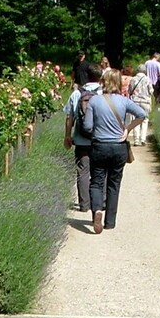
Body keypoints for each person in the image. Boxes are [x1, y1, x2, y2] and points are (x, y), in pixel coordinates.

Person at [82, 69, 147, 234]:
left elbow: (87, 126)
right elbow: (142, 114)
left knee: (96, 181)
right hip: (119, 147)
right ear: (119, 83)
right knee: (114, 183)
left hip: (99, 146)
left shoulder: (95, 101)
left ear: (103, 82)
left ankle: (97, 210)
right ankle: (110, 221)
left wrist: (98, 128)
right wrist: (128, 129)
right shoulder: (124, 101)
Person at [64, 63, 103, 212]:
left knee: (82, 171)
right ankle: (98, 202)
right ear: (100, 77)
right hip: (99, 140)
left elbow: (69, 118)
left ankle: (84, 205)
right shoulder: (104, 94)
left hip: (81, 140)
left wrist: (67, 135)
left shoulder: (77, 94)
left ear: (86, 75)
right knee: (99, 172)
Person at [127, 64, 153, 146]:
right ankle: (143, 139)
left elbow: (129, 91)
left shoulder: (133, 79)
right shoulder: (148, 79)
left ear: (137, 70)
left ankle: (136, 140)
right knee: (145, 120)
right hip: (145, 102)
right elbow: (151, 91)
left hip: (135, 101)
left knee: (135, 120)